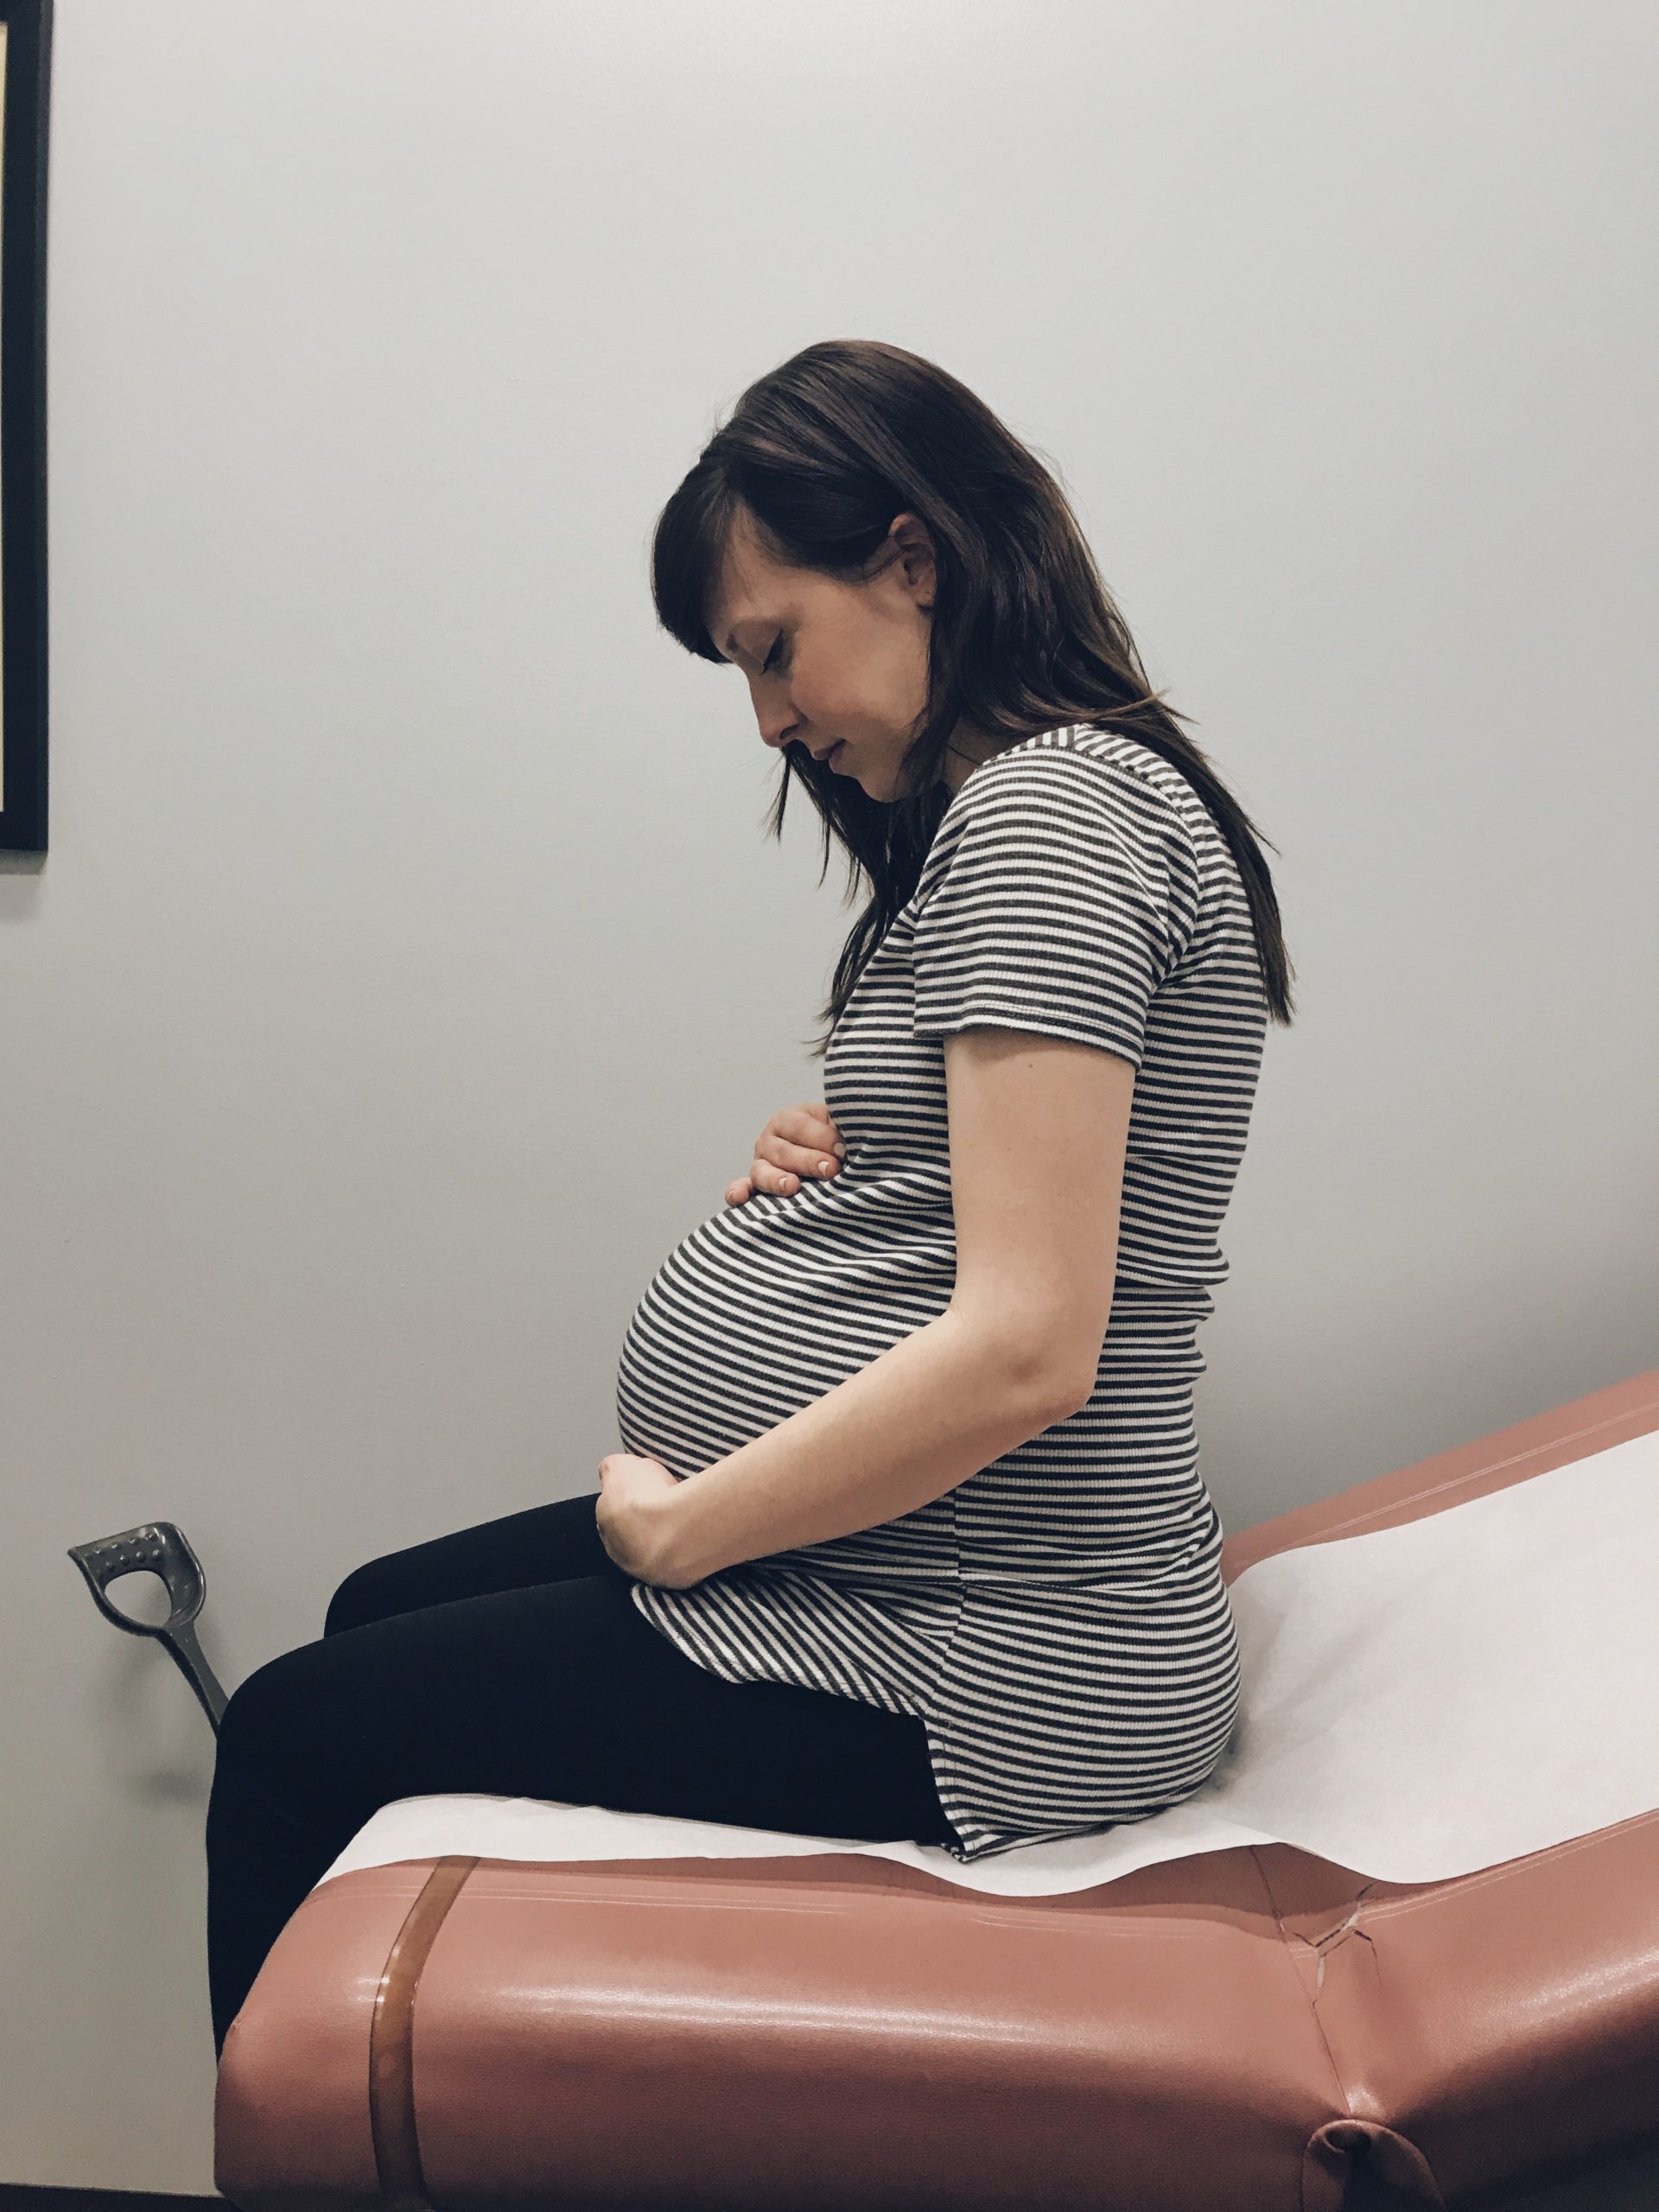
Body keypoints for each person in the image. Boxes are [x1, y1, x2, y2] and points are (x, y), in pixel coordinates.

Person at [206, 337, 1296, 2060]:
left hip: (990, 1653)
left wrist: (682, 1528)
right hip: (933, 1573)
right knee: (372, 1609)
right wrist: (862, 1158)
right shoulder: (1065, 804)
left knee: (287, 1730)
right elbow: (1030, 1197)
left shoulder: (1047, 819)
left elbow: (1029, 1349)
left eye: (774, 650)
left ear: (913, 556)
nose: (774, 720)